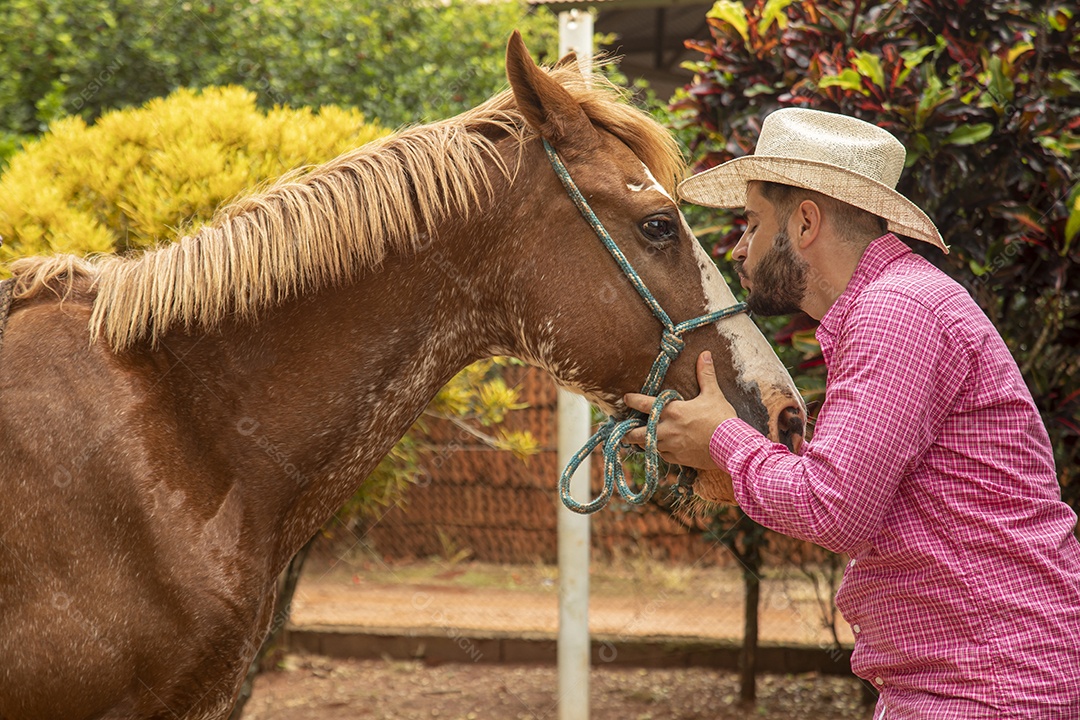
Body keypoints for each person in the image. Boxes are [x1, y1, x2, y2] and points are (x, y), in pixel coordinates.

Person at [624, 107, 1080, 719]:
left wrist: (722, 440)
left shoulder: (896, 312)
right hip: (976, 676)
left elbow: (831, 508)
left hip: (987, 685)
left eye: (753, 223)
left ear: (805, 221)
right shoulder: (900, 302)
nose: (739, 248)